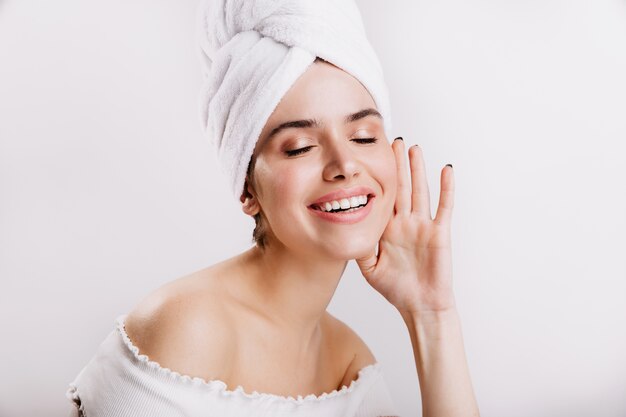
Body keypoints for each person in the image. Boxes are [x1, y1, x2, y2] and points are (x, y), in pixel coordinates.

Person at [66, 1, 480, 416]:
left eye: (364, 136)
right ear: (248, 189)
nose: (344, 165)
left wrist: (432, 315)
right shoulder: (187, 330)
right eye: (299, 147)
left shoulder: (350, 365)